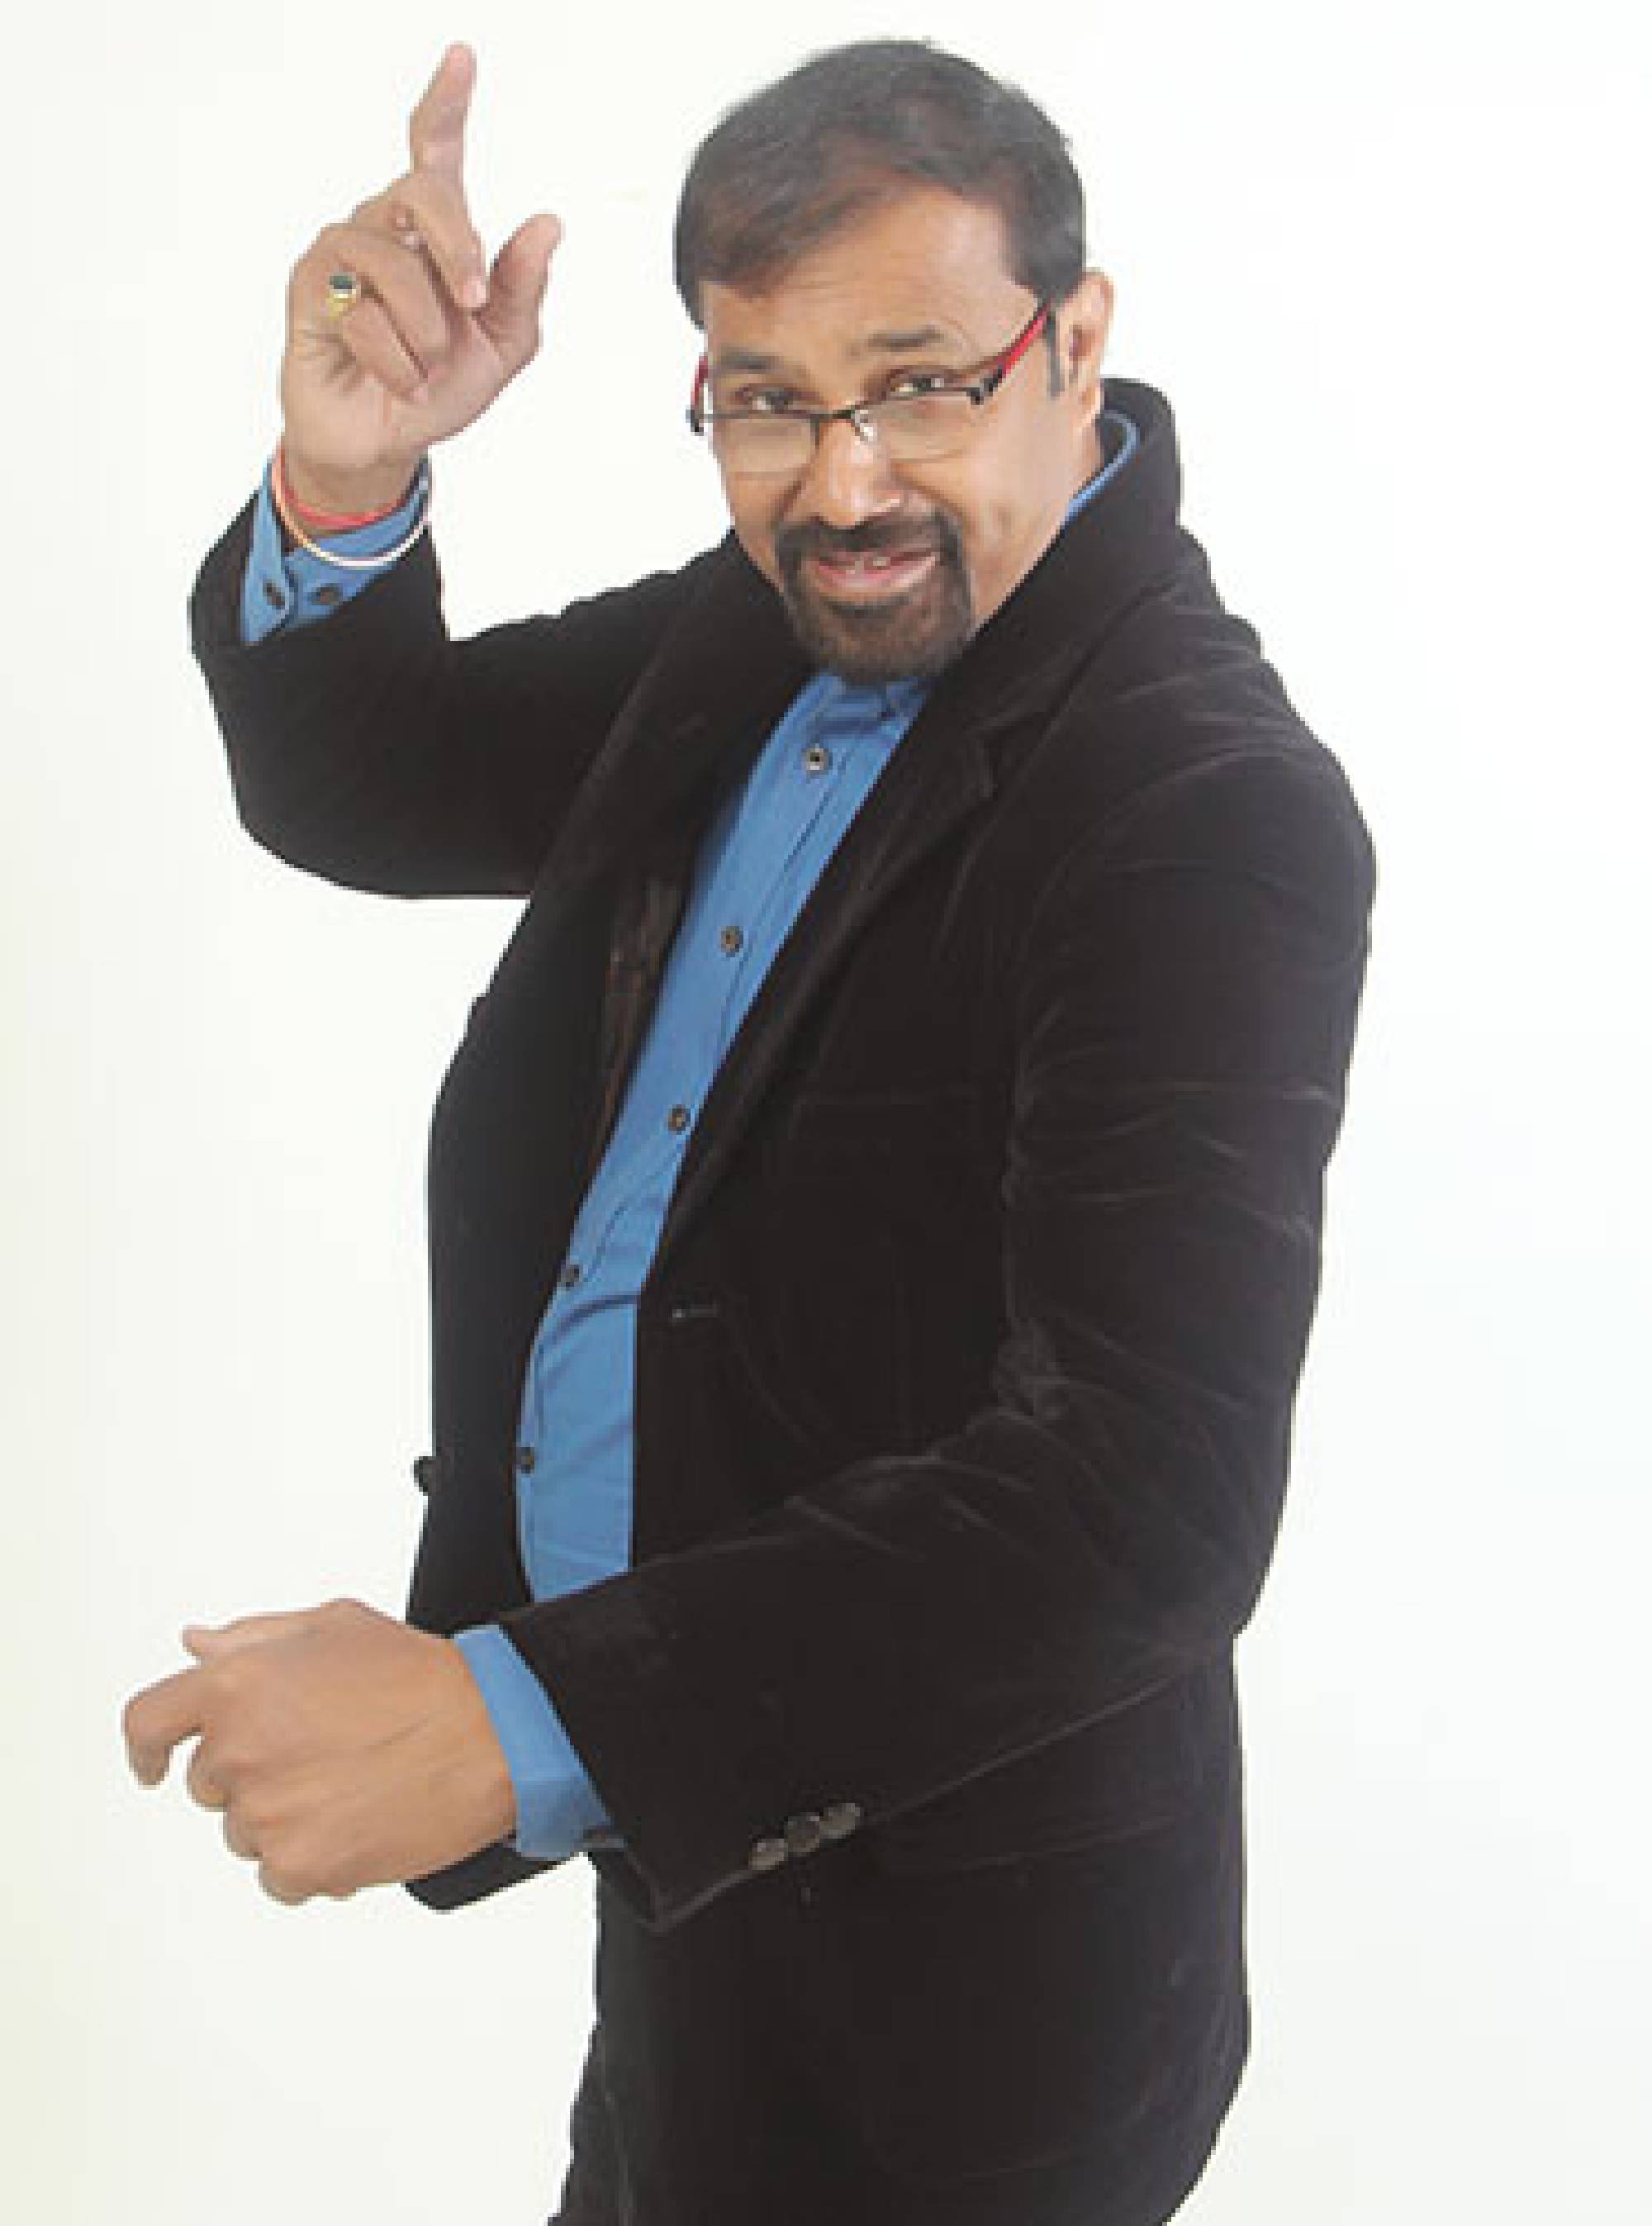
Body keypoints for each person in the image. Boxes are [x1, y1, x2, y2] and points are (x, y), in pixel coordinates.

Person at [125, 36, 1374, 2226]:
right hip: (692, 1876)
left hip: (955, 1998)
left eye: (920, 383)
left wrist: (504, 1723)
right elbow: (375, 775)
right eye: (768, 398)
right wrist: (346, 472)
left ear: (1076, 341)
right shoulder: (777, 617)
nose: (846, 480)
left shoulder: (1201, 808)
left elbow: (1145, 1501)